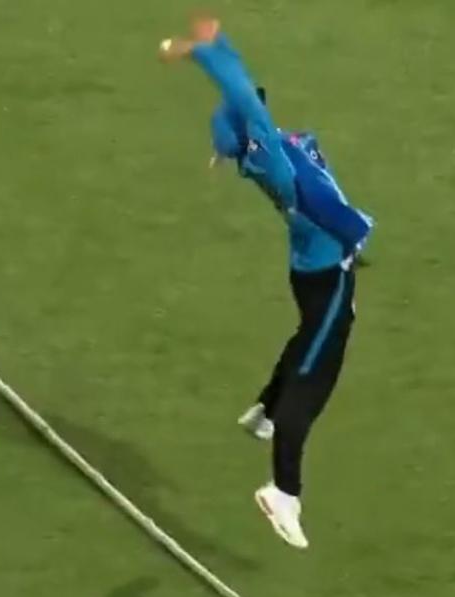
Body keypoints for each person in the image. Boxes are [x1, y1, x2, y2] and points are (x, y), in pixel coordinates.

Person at [160, 16, 374, 549]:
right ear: (248, 137)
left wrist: (220, 44)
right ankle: (284, 491)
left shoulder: (267, 150)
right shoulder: (274, 161)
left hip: (311, 271)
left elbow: (243, 91)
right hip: (327, 281)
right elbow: (241, 95)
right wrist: (198, 52)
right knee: (314, 381)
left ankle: (263, 411)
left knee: (307, 344)